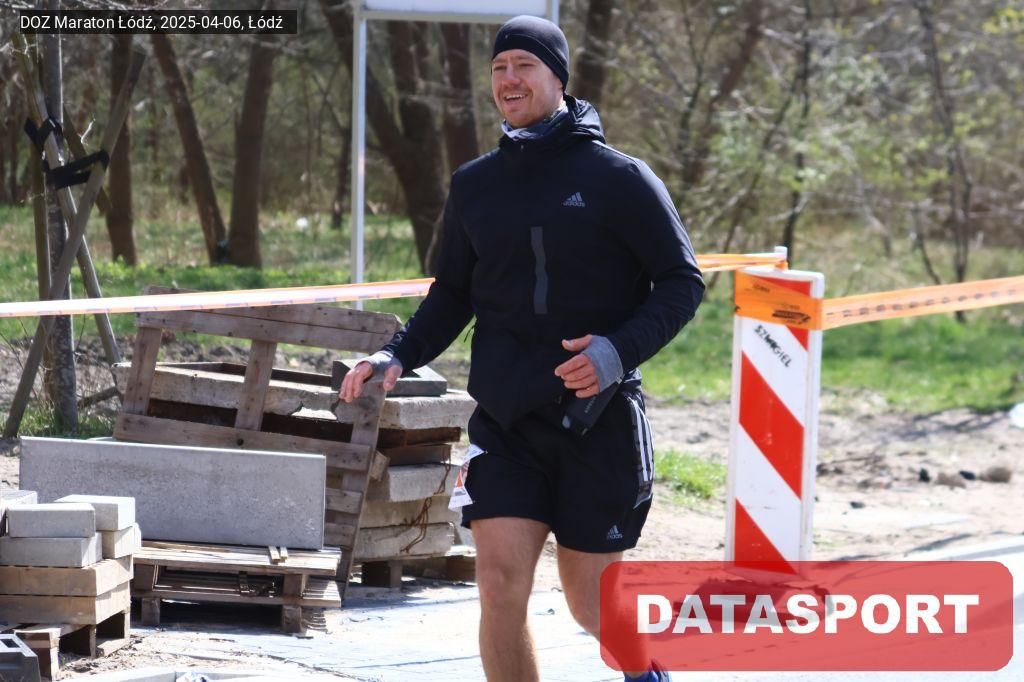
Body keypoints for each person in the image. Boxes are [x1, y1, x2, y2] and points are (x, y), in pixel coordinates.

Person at [339, 15, 704, 682]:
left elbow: (683, 282)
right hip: (507, 424)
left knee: (592, 605)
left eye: (524, 66)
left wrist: (615, 352)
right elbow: (454, 292)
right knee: (499, 586)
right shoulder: (475, 185)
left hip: (595, 423)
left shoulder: (619, 177)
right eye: (499, 68)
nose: (509, 79)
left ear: (558, 77)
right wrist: (397, 355)